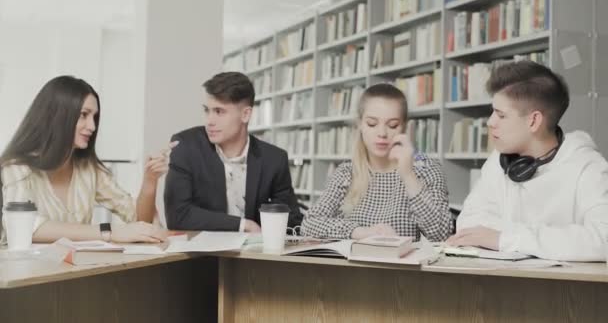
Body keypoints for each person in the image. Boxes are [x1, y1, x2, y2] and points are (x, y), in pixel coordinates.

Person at [447, 60, 608, 261]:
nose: (490, 122)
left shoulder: (589, 167)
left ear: (533, 121)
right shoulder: (500, 160)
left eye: (501, 115)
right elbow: (468, 226)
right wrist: (555, 240)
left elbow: (603, 240)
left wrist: (503, 238)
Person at [1, 75, 171, 243]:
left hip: (78, 270)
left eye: (94, 117)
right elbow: (23, 227)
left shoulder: (89, 169)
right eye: (84, 115)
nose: (92, 126)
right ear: (57, 116)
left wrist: (150, 181)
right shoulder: (17, 167)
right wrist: (108, 232)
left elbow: (139, 221)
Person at [301, 83, 452, 241]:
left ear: (404, 127)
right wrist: (359, 232)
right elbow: (309, 224)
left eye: (392, 125)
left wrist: (408, 175)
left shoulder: (427, 169)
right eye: (372, 124)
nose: (382, 133)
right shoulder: (346, 172)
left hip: (401, 265)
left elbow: (441, 235)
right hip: (352, 264)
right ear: (360, 124)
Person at [164, 72, 302, 232]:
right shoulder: (186, 146)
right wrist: (243, 225)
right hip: (203, 254)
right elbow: (177, 215)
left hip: (255, 254)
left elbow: (291, 220)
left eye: (219, 112)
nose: (209, 121)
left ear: (245, 114)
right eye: (207, 110)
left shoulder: (274, 159)